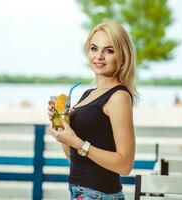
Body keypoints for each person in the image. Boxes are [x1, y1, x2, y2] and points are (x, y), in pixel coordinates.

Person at [48, 20, 138, 199]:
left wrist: (78, 143)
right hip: (78, 191)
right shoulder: (88, 94)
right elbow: (73, 157)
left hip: (99, 195)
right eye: (94, 48)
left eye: (109, 50)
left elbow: (125, 165)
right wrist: (63, 129)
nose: (99, 56)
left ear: (123, 56)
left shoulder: (119, 97)